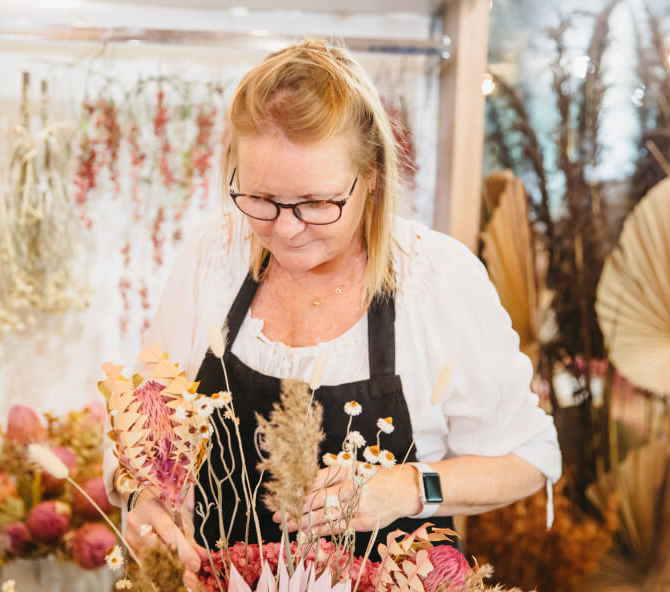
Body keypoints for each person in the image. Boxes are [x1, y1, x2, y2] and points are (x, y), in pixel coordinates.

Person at [104, 38, 561, 587]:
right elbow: (144, 434)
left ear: (370, 177)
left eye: (317, 203)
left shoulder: (436, 277)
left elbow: (529, 458)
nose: (287, 229)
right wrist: (143, 502)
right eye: (261, 200)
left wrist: (408, 488)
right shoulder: (212, 256)